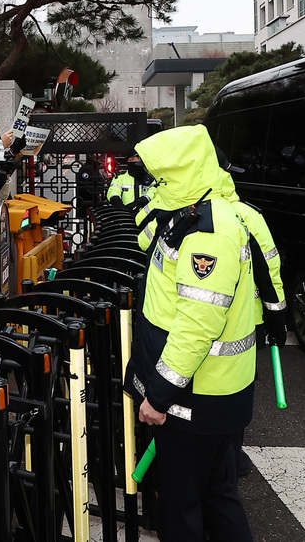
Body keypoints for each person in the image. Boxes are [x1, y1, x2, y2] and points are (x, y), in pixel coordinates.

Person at [124, 125, 259, 542]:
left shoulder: (207, 232)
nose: (157, 186)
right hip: (206, 395)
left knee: (183, 508)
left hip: (193, 400)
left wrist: (159, 395)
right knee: (218, 497)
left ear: (183, 175)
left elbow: (197, 326)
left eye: (164, 177)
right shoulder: (194, 214)